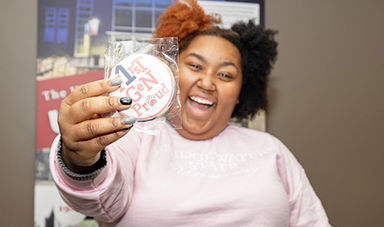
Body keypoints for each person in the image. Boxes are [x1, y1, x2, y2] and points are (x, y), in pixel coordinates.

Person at [50, 0, 331, 226]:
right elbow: (98, 201)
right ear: (170, 73)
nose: (207, 83)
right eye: (195, 66)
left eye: (225, 74)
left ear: (241, 93)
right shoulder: (131, 136)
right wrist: (79, 159)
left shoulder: (271, 150)